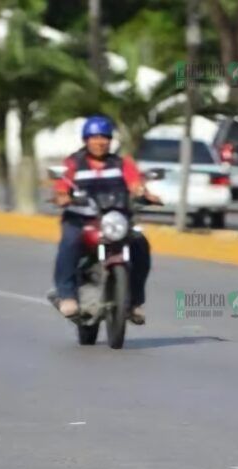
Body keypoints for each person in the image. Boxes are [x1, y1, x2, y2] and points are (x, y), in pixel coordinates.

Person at [52, 115, 159, 323]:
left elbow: (135, 183)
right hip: (81, 219)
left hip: (115, 220)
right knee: (69, 242)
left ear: (110, 140)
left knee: (140, 245)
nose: (99, 142)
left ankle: (135, 303)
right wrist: (63, 196)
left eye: (104, 137)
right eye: (94, 137)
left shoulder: (121, 163)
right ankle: (67, 295)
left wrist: (143, 193)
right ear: (86, 139)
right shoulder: (73, 163)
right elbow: (61, 187)